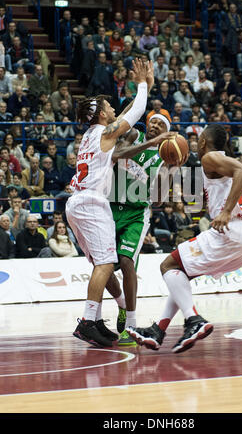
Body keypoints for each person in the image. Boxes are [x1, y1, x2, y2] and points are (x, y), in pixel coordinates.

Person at [127, 124, 242, 354]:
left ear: (204, 141)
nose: (196, 141)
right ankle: (159, 330)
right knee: (180, 274)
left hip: (231, 231)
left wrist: (226, 211)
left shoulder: (211, 158)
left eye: (199, 138)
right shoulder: (215, 161)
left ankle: (194, 320)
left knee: (167, 265)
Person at [65, 59, 153, 348]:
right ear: (102, 114)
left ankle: (99, 317)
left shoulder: (92, 134)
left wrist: (144, 89)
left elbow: (124, 115)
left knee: (100, 265)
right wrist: (142, 86)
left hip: (77, 202)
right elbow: (136, 111)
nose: (115, 109)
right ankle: (88, 321)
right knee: (105, 263)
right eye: (110, 107)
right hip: (92, 202)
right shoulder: (104, 133)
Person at [103, 112, 178, 346]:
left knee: (126, 261)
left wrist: (170, 169)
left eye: (161, 124)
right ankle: (122, 304)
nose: (155, 125)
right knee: (102, 267)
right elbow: (115, 154)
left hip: (136, 212)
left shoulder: (165, 157)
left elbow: (156, 201)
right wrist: (150, 143)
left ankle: (131, 325)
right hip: (110, 206)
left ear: (167, 131)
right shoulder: (134, 135)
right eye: (153, 121)